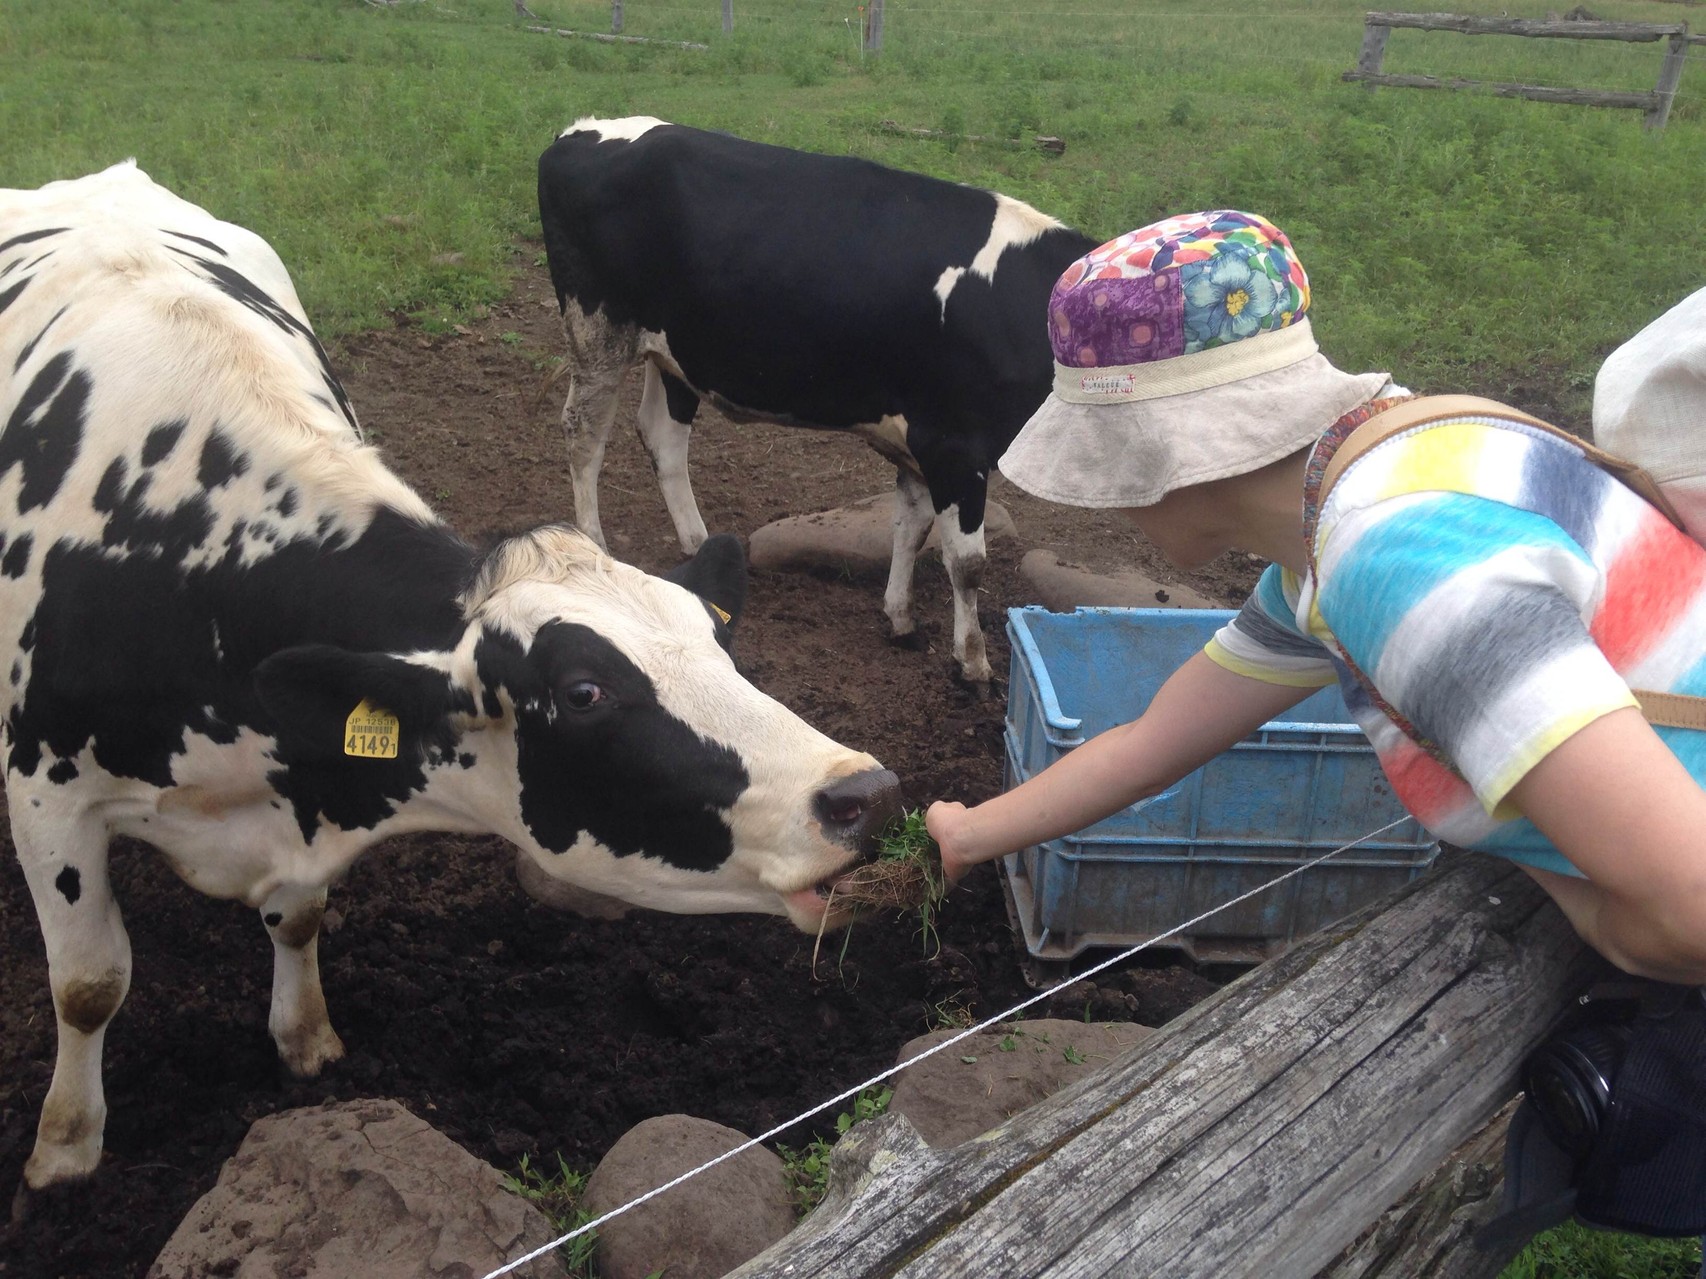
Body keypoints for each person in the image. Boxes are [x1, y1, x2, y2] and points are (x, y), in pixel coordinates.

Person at [925, 209, 1706, 988]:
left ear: (1166, 455)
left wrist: (1588, 916)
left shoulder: (1395, 566)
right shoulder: (1363, 499)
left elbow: (1691, 911)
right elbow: (1147, 747)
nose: (1103, 502)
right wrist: (968, 833)